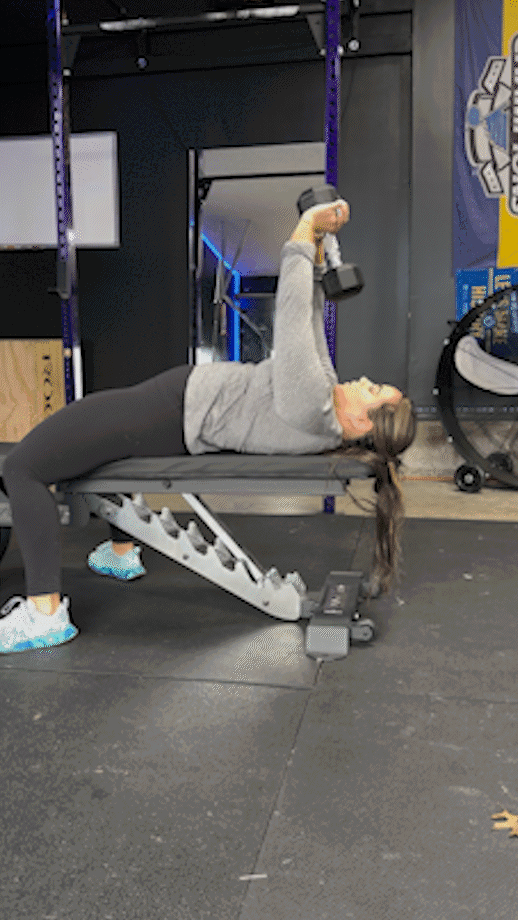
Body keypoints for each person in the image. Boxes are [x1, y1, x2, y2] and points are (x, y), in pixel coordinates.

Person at [1, 199, 416, 653]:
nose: (365, 381)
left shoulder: (312, 405)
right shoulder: (322, 398)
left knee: (24, 467)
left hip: (165, 415)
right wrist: (317, 249)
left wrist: (304, 229)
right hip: (167, 410)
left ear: (361, 422)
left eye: (374, 390)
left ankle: (45, 615)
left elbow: (294, 316)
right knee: (100, 448)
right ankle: (120, 554)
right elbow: (313, 318)